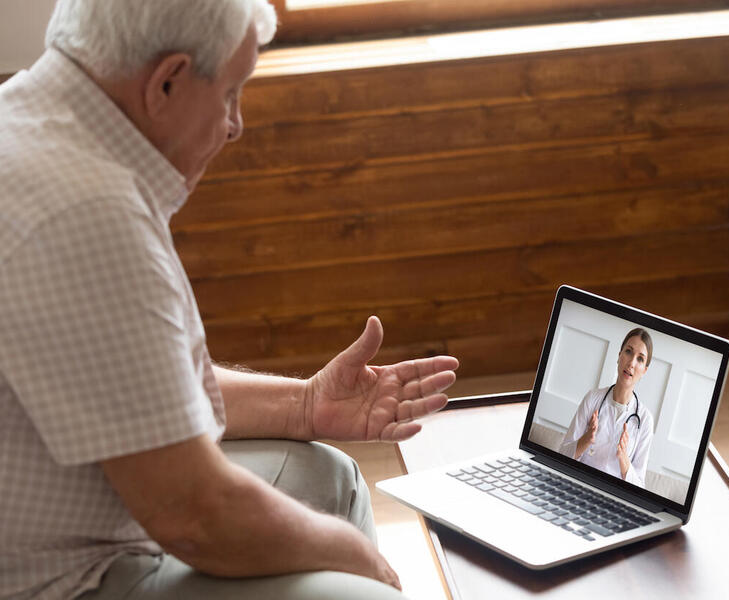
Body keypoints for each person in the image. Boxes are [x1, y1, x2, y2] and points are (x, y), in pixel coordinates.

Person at [0, 1, 459, 599]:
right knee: (363, 586)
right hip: (63, 580)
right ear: (167, 80)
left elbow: (135, 383)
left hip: (74, 522)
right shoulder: (88, 214)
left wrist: (304, 405)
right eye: (230, 94)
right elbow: (195, 516)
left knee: (330, 479)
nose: (236, 124)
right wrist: (358, 559)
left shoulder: (28, 120)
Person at [558, 328, 655, 487]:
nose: (631, 363)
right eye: (628, 352)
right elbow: (561, 455)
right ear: (619, 356)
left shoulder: (645, 420)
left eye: (640, 359)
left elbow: (639, 487)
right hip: (578, 484)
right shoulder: (593, 398)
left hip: (613, 497)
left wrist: (624, 460)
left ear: (644, 370)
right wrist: (586, 439)